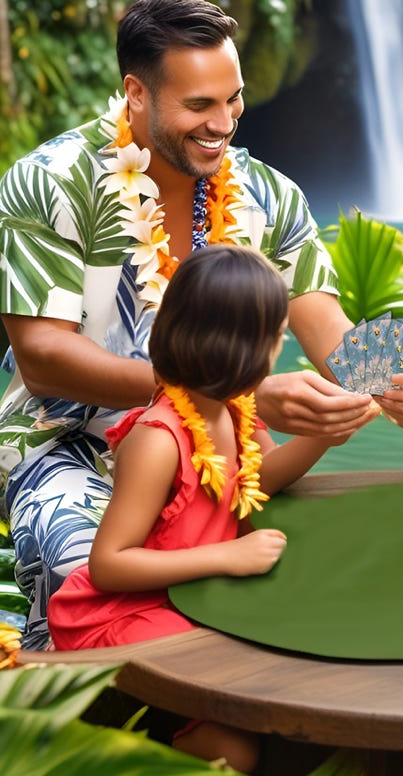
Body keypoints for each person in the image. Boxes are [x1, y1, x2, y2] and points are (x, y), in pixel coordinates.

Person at [0, 0, 403, 650]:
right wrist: (237, 394)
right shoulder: (48, 183)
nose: (223, 123)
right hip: (65, 444)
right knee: (95, 575)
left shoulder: (268, 194)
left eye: (233, 99)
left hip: (219, 447)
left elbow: (324, 321)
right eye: (198, 105)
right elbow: (44, 357)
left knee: (313, 560)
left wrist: (395, 383)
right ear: (136, 93)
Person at [48, 244, 361, 771]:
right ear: (234, 347)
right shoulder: (159, 438)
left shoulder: (236, 411)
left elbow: (259, 481)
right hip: (125, 612)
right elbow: (110, 563)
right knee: (237, 732)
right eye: (274, 336)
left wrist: (325, 436)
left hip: (194, 595)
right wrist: (228, 557)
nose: (280, 345)